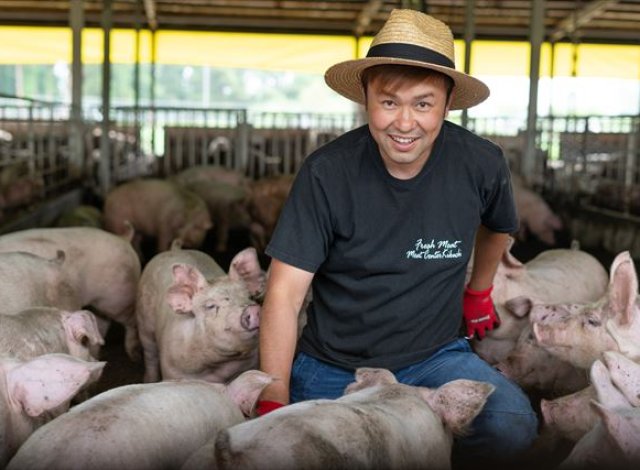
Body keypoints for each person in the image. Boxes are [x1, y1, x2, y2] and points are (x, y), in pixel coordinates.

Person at [257, 8, 538, 467]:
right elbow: (284, 294)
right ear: (365, 99)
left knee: (511, 423)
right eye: (389, 102)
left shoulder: (481, 163)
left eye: (423, 104)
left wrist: (480, 292)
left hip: (435, 357)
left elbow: (498, 226)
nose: (404, 123)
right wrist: (273, 396)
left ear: (447, 105)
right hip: (334, 363)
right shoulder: (327, 173)